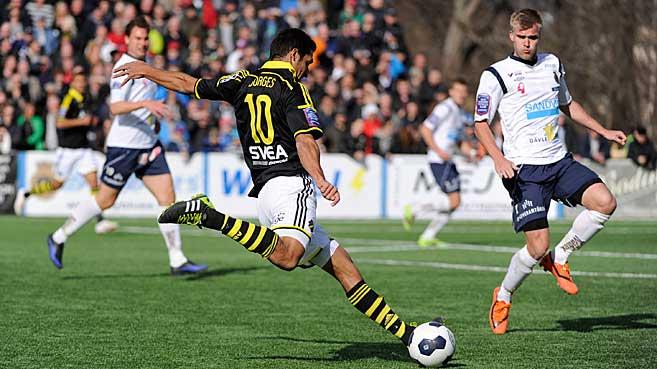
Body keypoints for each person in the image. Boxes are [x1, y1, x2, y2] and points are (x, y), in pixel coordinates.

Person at [115, 27, 434, 349]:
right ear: (294, 55)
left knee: (345, 269)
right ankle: (211, 217)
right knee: (287, 257)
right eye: (307, 62)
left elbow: (188, 84)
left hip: (266, 194)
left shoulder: (242, 80)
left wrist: (147, 71)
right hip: (293, 185)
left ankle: (407, 335)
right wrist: (320, 179)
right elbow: (305, 140)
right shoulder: (292, 88)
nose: (308, 70)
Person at [473, 9, 626, 335]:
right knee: (537, 247)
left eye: (533, 37)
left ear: (539, 36)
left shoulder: (552, 64)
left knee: (605, 202)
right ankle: (503, 295)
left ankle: (562, 256)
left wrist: (602, 130)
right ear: (511, 36)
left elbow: (568, 104)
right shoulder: (496, 75)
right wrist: (498, 158)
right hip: (524, 171)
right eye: (523, 37)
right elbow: (480, 124)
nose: (528, 43)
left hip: (559, 161)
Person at [46, 16, 207, 275]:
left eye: (146, 38)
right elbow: (115, 107)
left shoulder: (146, 66)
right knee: (105, 201)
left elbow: (145, 105)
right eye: (138, 38)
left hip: (148, 145)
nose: (143, 43)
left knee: (167, 197)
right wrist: (146, 105)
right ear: (128, 39)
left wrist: (152, 121)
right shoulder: (123, 67)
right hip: (124, 147)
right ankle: (58, 236)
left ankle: (177, 259)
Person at [13, 72, 119, 234]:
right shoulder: (68, 100)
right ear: (72, 84)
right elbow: (60, 122)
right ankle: (27, 192)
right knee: (56, 184)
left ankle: (100, 221)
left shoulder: (85, 98)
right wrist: (81, 122)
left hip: (83, 149)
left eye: (83, 80)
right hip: (68, 150)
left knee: (94, 183)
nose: (82, 84)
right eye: (78, 81)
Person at [402, 78, 471, 246]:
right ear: (451, 92)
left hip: (448, 160)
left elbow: (459, 141)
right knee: (454, 201)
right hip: (438, 160)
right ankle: (415, 208)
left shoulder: (460, 112)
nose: (461, 95)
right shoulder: (445, 108)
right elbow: (425, 129)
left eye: (464, 91)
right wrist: (438, 150)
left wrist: (471, 154)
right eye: (458, 91)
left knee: (454, 203)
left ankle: (428, 236)